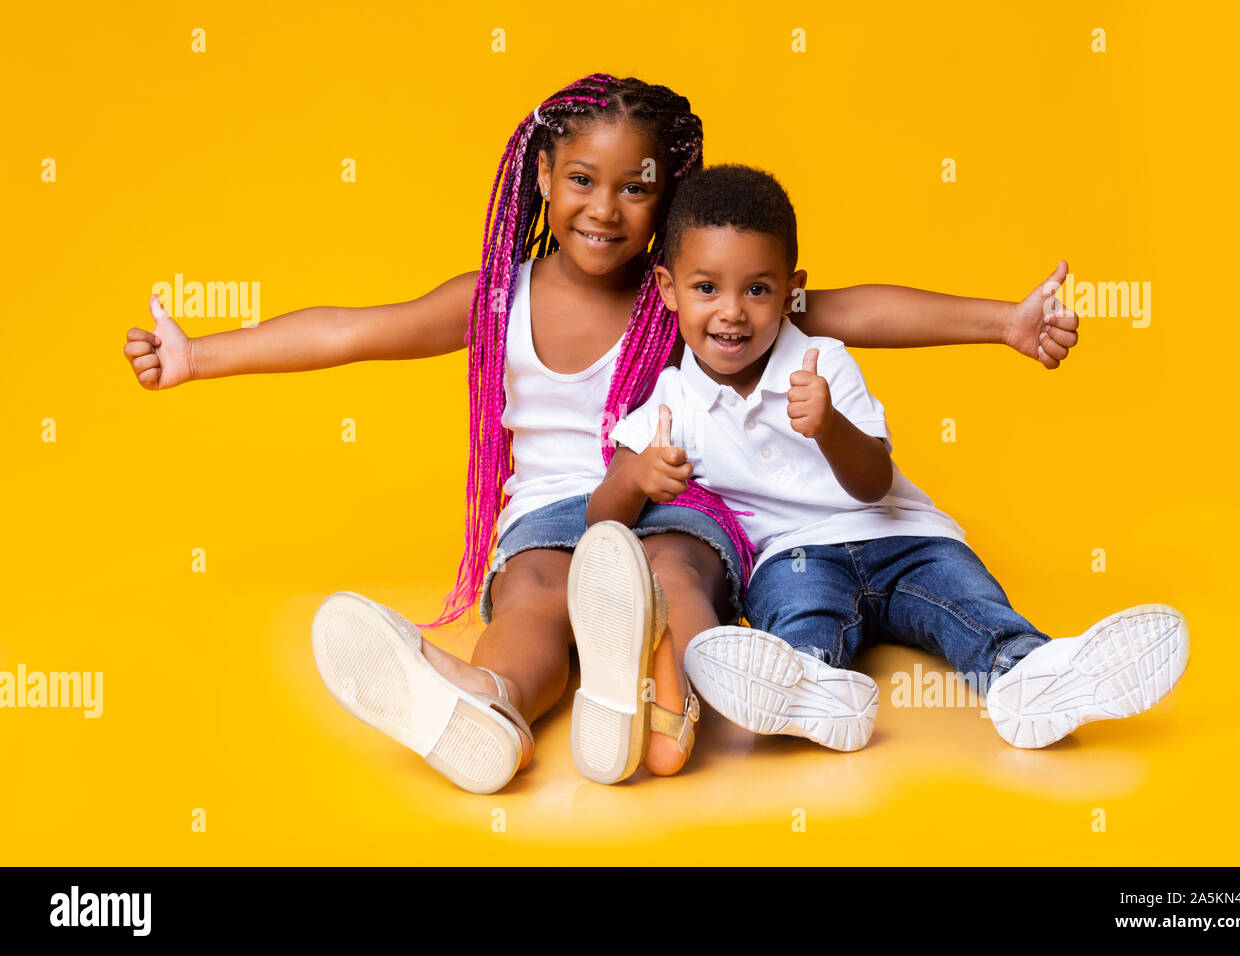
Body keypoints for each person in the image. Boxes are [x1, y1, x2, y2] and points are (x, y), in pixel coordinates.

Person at [123, 75, 1080, 793]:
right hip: (552, 511)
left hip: (675, 493)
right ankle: (488, 708)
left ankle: (678, 697)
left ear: (671, 201)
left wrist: (1003, 321)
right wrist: (200, 354)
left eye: (636, 188)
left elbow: (848, 309)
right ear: (542, 176)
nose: (605, 208)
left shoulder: (693, 295)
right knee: (536, 592)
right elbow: (351, 330)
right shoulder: (495, 299)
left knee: (672, 570)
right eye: (582, 179)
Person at [589, 164, 1187, 755]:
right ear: (668, 289)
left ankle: (1032, 674)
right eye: (705, 288)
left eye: (757, 289)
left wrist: (829, 426)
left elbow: (873, 483)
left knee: (968, 605)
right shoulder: (670, 400)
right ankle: (814, 692)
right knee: (798, 621)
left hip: (905, 538)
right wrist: (638, 477)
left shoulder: (823, 360)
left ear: (791, 288)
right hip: (791, 556)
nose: (732, 312)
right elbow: (600, 517)